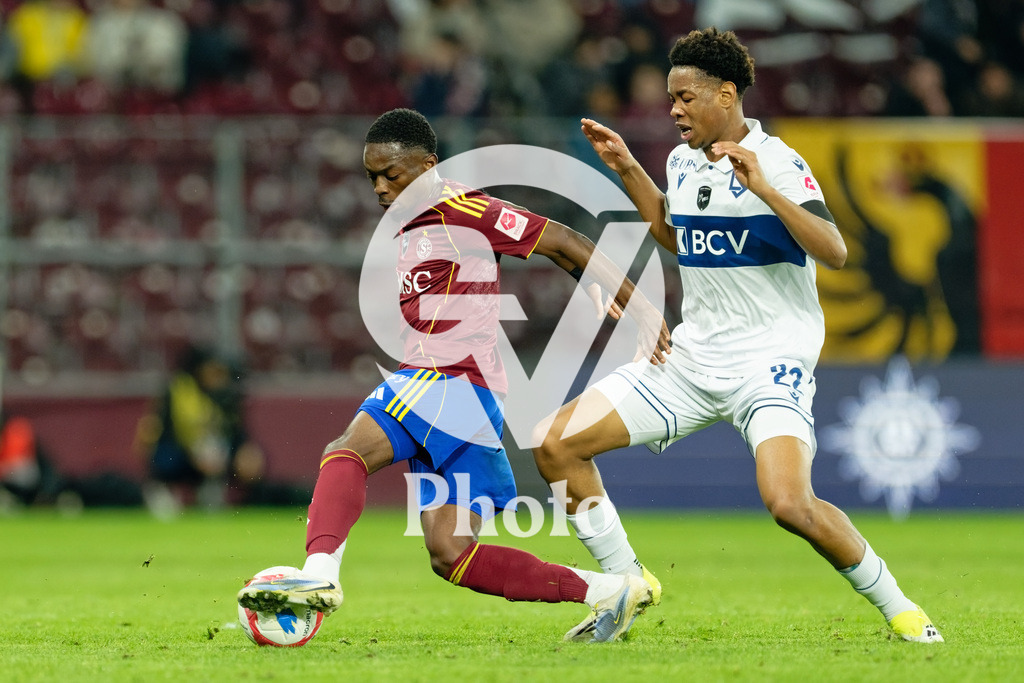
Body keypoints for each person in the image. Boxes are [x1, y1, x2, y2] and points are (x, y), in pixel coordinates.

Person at [532, 27, 944, 644]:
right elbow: (677, 236)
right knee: (555, 444)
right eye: (671, 98)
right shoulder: (680, 159)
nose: (673, 110)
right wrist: (626, 169)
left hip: (769, 362)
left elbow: (833, 251)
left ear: (727, 94)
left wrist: (766, 191)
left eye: (686, 97)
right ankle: (625, 586)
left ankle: (904, 611)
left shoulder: (777, 161)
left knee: (789, 504)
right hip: (692, 358)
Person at [237, 108, 672, 643]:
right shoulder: (414, 220)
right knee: (450, 554)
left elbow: (560, 237)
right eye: (371, 176)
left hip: (446, 378)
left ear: (427, 165)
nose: (378, 187)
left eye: (390, 174)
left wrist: (640, 308)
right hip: (471, 398)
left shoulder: (457, 207)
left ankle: (321, 575)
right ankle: (608, 591)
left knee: (346, 451)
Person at [136, 345, 265, 515]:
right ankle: (160, 491)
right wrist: (194, 452)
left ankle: (225, 497)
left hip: (218, 454)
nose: (217, 377)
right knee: (166, 457)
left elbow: (236, 431)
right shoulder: (178, 391)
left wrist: (246, 449)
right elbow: (165, 430)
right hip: (180, 451)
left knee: (247, 458)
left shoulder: (227, 395)